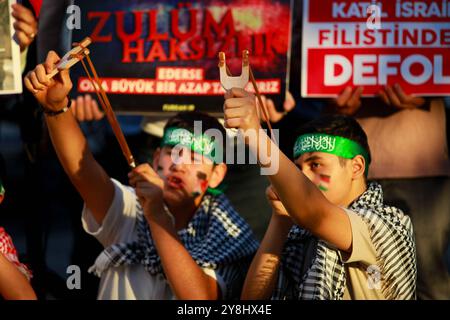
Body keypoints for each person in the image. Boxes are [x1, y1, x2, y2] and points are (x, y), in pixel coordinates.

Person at [23, 51, 259, 300]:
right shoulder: (130, 207)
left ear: (216, 174)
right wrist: (56, 107)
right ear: (156, 159)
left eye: (195, 157)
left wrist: (157, 216)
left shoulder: (228, 234)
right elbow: (82, 173)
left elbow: (199, 299)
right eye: (172, 153)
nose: (179, 165)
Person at [223, 88, 416, 299]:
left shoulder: (390, 222)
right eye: (298, 168)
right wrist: (280, 220)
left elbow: (317, 214)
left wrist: (254, 134)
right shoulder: (299, 232)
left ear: (357, 167)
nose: (303, 175)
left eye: (315, 164)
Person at [330, 85, 450, 299]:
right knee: (350, 276)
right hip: (343, 161)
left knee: (426, 275)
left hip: (420, 163)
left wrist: (432, 86)